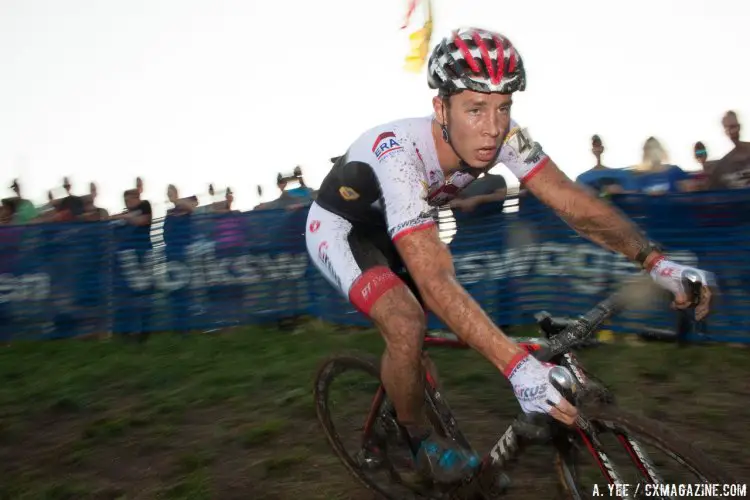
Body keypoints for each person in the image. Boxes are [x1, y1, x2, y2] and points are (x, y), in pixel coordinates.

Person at [305, 27, 715, 485]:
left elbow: (568, 198)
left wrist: (655, 262)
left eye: (503, 107)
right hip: (343, 229)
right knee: (406, 322)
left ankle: (412, 389)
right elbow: (434, 277)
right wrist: (517, 367)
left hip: (402, 225)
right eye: (475, 108)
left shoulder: (505, 138)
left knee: (421, 338)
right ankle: (419, 442)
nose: (493, 126)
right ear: (441, 108)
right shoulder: (398, 154)